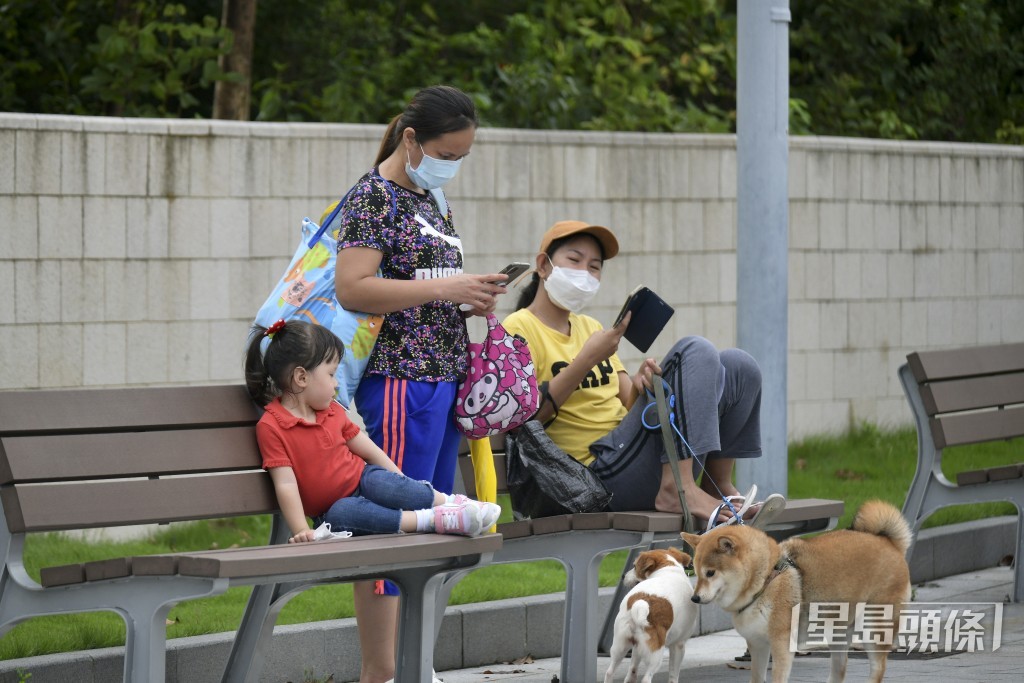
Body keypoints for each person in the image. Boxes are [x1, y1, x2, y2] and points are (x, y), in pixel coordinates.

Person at [331, 85, 507, 683]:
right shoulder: (374, 196)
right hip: (399, 382)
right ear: (411, 140)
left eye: (462, 156)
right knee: (397, 527)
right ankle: (382, 673)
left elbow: (428, 285)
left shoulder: (430, 198)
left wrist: (470, 292)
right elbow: (353, 286)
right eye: (447, 154)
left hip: (440, 380)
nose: (453, 166)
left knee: (437, 527)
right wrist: (445, 289)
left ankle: (415, 668)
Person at [502, 220, 767, 528]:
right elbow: (524, 420)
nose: (584, 273)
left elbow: (626, 402)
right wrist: (587, 359)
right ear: (543, 266)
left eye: (594, 267)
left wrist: (641, 384)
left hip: (630, 456)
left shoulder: (590, 327)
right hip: (593, 476)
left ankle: (716, 484)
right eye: (574, 261)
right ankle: (678, 489)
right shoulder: (517, 328)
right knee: (695, 349)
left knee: (739, 366)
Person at [243, 319, 501, 543]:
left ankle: (453, 504)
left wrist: (401, 483)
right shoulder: (272, 426)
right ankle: (432, 519)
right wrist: (301, 529)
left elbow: (367, 448)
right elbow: (286, 484)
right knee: (341, 515)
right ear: (302, 378)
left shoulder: (331, 411)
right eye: (332, 374)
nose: (336, 384)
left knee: (382, 480)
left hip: (364, 480)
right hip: (330, 510)